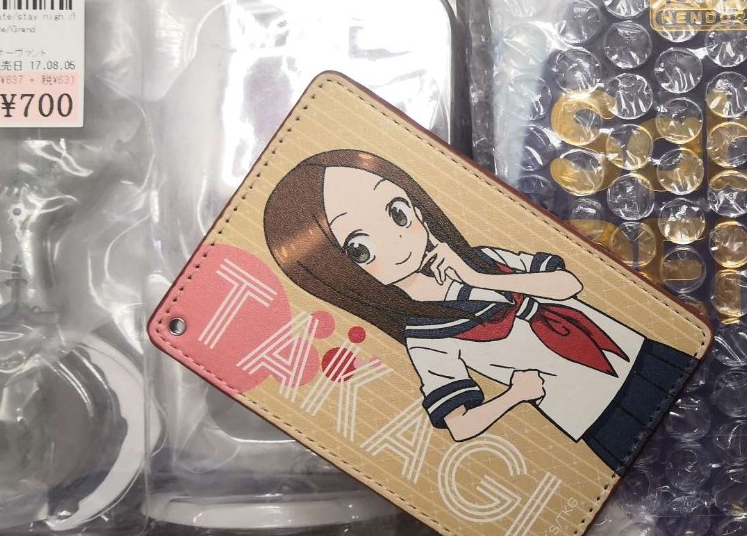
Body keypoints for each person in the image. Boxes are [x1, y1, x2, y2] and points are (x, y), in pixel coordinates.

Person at [263, 148, 696, 473]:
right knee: (670, 476)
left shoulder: (481, 260)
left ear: (416, 207)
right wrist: (514, 395)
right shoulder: (427, 337)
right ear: (342, 276)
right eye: (360, 248)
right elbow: (460, 426)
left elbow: (568, 285)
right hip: (594, 414)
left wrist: (480, 279)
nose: (398, 240)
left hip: (636, 353)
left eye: (397, 212)